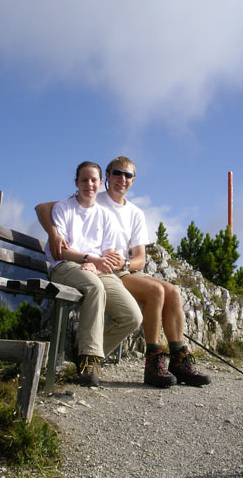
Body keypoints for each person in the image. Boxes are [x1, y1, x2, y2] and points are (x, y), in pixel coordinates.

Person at [36, 156, 211, 388]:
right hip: (92, 266)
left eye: (128, 175)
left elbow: (140, 259)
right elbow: (44, 208)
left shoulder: (133, 213)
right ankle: (152, 360)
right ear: (106, 178)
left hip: (115, 268)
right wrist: (54, 233)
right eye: (117, 173)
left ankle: (179, 358)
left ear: (133, 180)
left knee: (173, 292)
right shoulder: (92, 196)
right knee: (156, 291)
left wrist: (120, 264)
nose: (122, 179)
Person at [44, 161, 142, 386]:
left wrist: (97, 265)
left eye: (93, 180)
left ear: (101, 183)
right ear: (76, 183)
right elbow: (61, 251)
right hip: (65, 267)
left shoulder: (105, 215)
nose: (89, 184)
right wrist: (88, 259)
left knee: (132, 317)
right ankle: (89, 360)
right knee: (94, 287)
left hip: (96, 270)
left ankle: (84, 356)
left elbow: (108, 252)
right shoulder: (64, 208)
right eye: (84, 180)